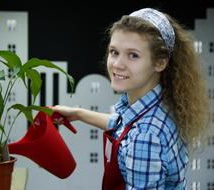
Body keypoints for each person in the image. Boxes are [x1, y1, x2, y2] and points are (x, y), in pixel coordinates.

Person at [52, 7, 210, 189]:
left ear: (160, 63)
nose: (117, 64)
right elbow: (124, 127)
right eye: (114, 52)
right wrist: (78, 114)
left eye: (133, 55)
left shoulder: (145, 136)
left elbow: (137, 135)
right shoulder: (158, 104)